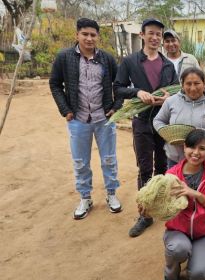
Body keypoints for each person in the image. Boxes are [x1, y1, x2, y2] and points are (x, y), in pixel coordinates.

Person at [141, 129, 205, 280]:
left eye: (202, 149)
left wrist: (197, 195)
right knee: (178, 249)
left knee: (199, 275)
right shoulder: (171, 175)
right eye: (191, 147)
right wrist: (147, 209)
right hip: (178, 230)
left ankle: (198, 259)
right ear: (184, 147)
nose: (196, 153)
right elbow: (161, 207)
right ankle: (171, 277)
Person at [49, 18, 122, 220]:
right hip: (78, 119)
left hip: (104, 118)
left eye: (93, 35)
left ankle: (111, 194)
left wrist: (116, 107)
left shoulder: (106, 58)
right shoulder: (65, 57)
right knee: (80, 161)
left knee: (109, 159)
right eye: (85, 34)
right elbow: (55, 84)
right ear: (77, 35)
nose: (89, 38)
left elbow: (119, 84)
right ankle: (85, 197)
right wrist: (65, 110)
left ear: (97, 37)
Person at [114, 18, 179, 237]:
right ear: (142, 35)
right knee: (144, 168)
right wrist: (136, 92)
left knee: (162, 165)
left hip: (163, 122)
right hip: (141, 121)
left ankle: (159, 205)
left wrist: (168, 99)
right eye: (150, 33)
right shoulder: (130, 61)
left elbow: (177, 91)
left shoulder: (168, 65)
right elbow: (118, 88)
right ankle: (144, 214)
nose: (155, 38)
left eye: (158, 35)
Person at [153, 67, 205, 168]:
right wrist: (167, 133)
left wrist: (202, 133)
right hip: (176, 160)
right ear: (182, 85)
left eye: (197, 83)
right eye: (188, 84)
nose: (193, 88)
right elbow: (158, 120)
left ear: (204, 83)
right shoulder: (171, 101)